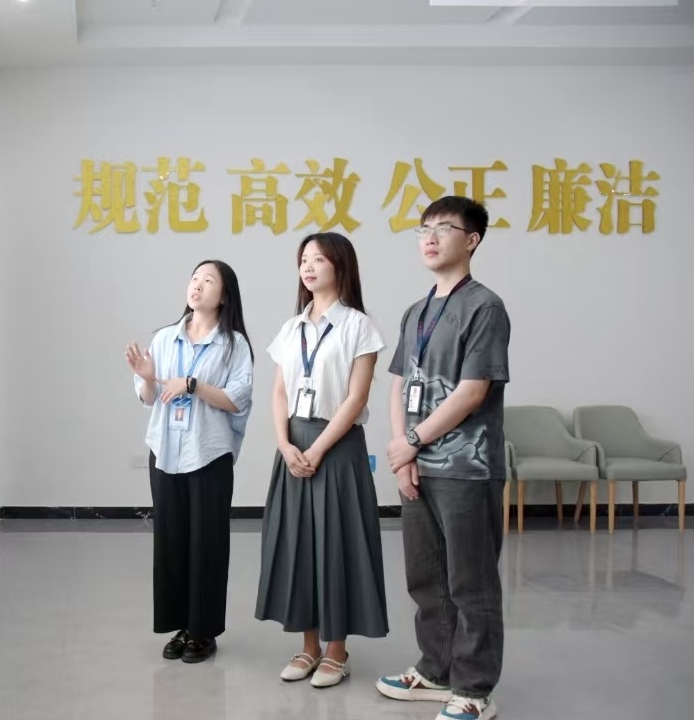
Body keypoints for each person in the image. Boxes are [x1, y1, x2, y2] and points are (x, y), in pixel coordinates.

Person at [376, 196, 511, 720]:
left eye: (444, 228)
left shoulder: (485, 307)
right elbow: (398, 383)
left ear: (472, 240)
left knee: (470, 583)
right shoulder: (416, 311)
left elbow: (473, 391)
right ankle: (436, 671)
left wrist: (412, 441)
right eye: (423, 229)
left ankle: (474, 690)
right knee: (426, 579)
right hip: (418, 466)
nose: (429, 238)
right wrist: (402, 453)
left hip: (467, 469)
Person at [253, 232, 389, 688]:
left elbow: (356, 399)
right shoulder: (291, 328)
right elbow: (279, 392)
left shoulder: (358, 326)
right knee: (299, 545)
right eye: (304, 260)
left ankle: (337, 650)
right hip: (294, 446)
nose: (308, 267)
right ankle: (309, 647)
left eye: (319, 259)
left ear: (340, 266)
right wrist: (284, 444)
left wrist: (316, 449)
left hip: (337, 446)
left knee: (337, 544)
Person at [124, 259, 255, 664]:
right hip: (165, 452)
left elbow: (236, 400)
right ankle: (181, 625)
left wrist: (193, 385)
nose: (197, 285)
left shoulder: (233, 344)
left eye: (208, 280)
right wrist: (148, 376)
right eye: (195, 278)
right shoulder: (165, 338)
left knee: (207, 544)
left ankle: (204, 631)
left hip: (208, 453)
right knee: (171, 541)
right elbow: (148, 399)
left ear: (224, 296)